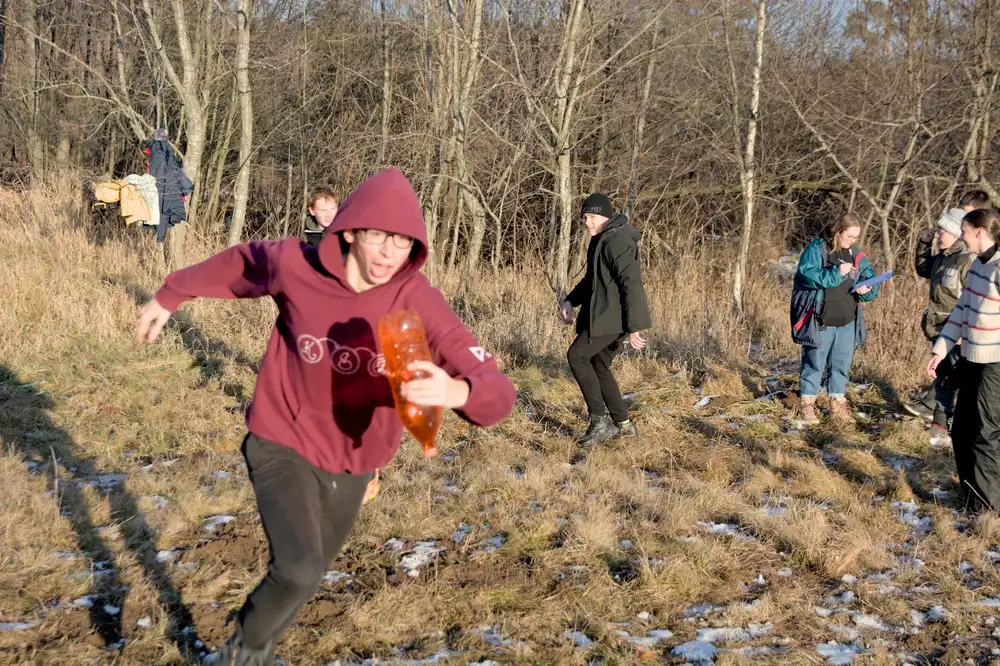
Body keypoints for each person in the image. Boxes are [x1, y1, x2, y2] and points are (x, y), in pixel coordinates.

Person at [135, 167, 516, 664]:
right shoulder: (297, 265)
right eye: (378, 237)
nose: (387, 254)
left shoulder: (416, 299)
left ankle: (257, 645)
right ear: (353, 230)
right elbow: (239, 263)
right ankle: (240, 655)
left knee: (311, 569)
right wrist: (173, 292)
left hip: (357, 459)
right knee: (299, 569)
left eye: (401, 243)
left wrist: (457, 390)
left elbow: (497, 388)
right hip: (281, 436)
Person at [558, 193, 652, 445]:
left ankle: (600, 421)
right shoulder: (601, 239)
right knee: (599, 365)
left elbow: (631, 284)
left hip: (613, 318)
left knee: (577, 356)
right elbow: (592, 280)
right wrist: (570, 300)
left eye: (592, 217)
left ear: (606, 217)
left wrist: (634, 327)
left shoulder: (617, 241)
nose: (587, 222)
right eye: (585, 217)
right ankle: (623, 423)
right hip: (603, 315)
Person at [928, 207, 1000, 514]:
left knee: (986, 433)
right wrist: (940, 349)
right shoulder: (976, 268)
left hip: (995, 363)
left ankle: (989, 509)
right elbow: (960, 312)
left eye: (966, 232)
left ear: (980, 232)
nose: (962, 237)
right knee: (961, 431)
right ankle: (971, 497)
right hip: (970, 359)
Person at [789, 213, 880, 426]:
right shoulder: (817, 250)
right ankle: (807, 405)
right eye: (849, 236)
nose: (852, 241)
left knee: (841, 364)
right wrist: (836, 273)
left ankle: (837, 403)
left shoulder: (856, 254)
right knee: (814, 362)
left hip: (848, 320)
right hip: (821, 319)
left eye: (856, 237)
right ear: (837, 233)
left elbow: (869, 278)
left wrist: (868, 289)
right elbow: (807, 276)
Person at [902, 200, 980, 435]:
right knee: (944, 376)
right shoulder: (944, 256)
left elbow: (973, 299)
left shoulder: (966, 260)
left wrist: (965, 330)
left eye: (943, 230)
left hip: (957, 331)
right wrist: (924, 244)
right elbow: (924, 268)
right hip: (938, 328)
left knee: (956, 379)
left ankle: (949, 423)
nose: (939, 234)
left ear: (957, 232)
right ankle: (939, 424)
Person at [142, 128, 194, 248]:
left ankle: (160, 239)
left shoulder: (157, 152)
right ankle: (160, 239)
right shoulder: (164, 153)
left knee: (161, 210)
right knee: (163, 210)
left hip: (159, 190)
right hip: (163, 190)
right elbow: (173, 171)